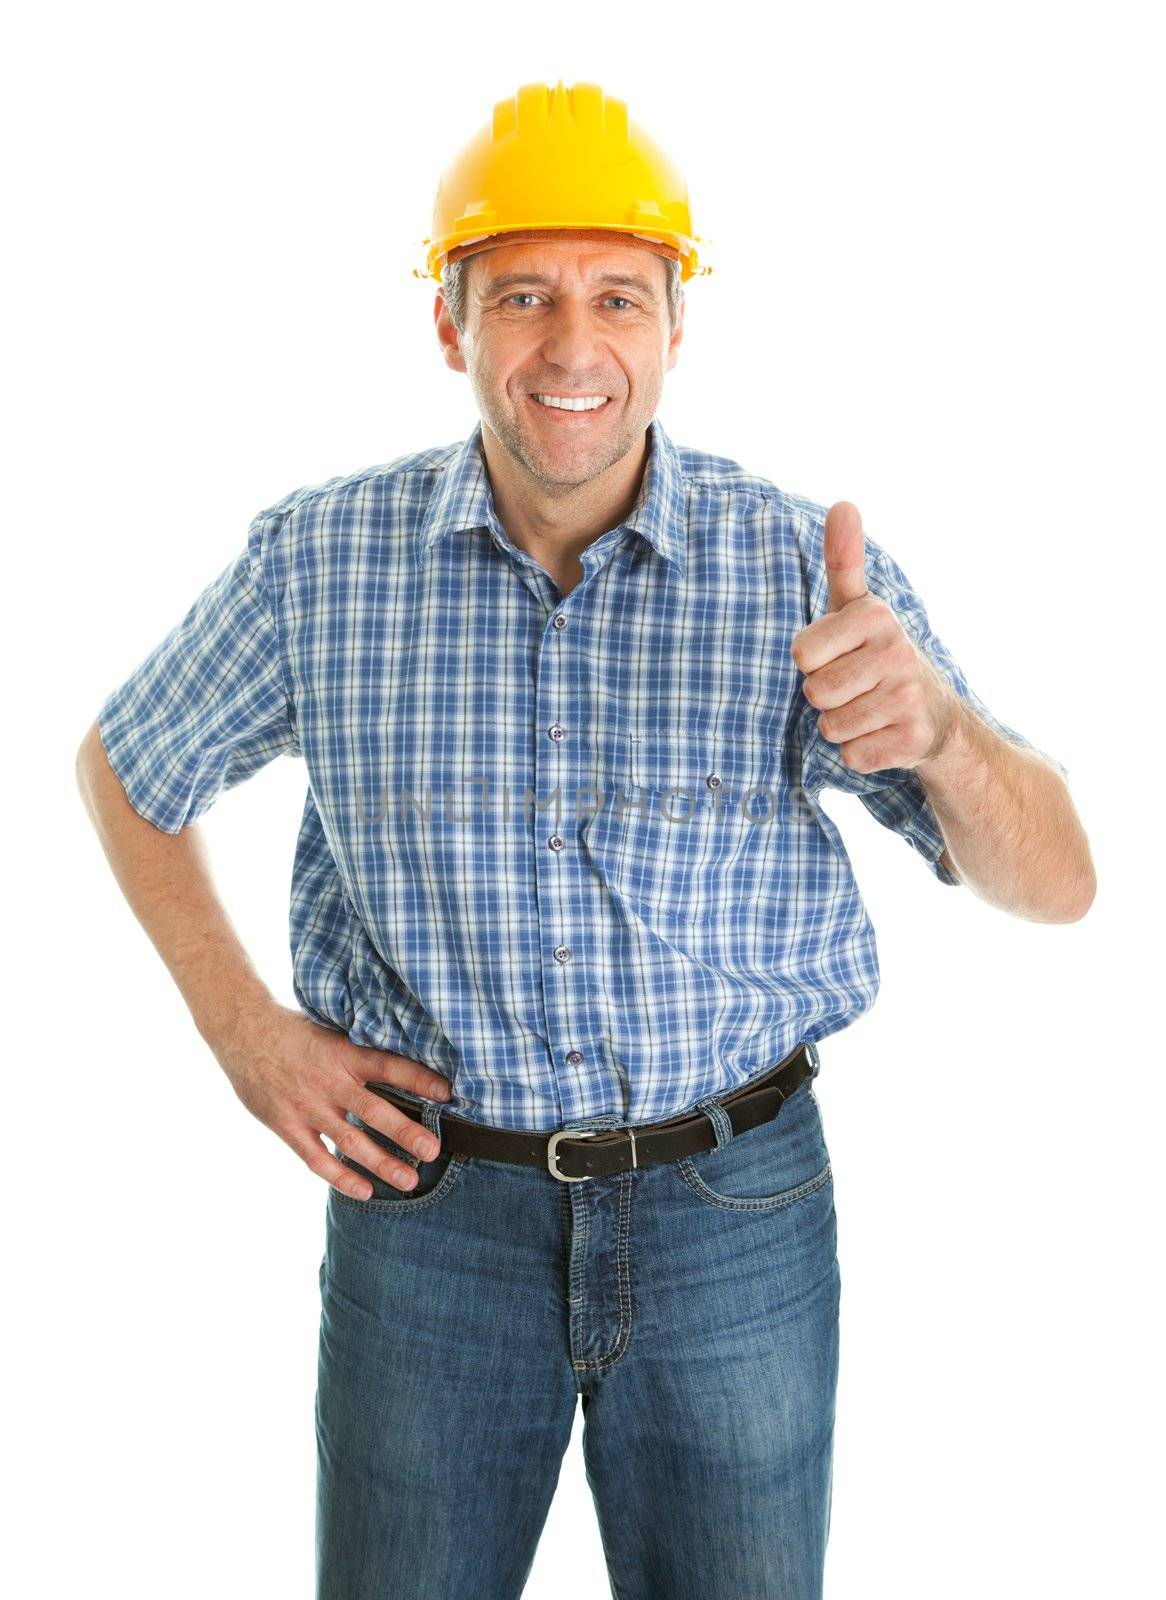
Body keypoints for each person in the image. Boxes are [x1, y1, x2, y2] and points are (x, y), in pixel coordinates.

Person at [77, 78, 1095, 1600]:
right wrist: (241, 1031)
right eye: (522, 296)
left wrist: (941, 736)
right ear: (450, 324)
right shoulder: (321, 563)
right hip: (428, 1215)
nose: (572, 347)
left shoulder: (796, 572)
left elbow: (1060, 885)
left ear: (676, 328)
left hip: (732, 1214)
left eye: (618, 298)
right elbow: (129, 765)